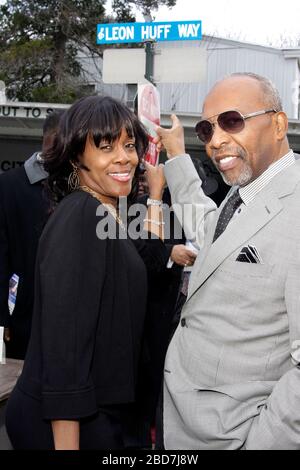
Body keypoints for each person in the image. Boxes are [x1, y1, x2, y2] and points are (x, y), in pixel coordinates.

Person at [5, 95, 166, 450]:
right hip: (69, 424)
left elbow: (153, 258)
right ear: (77, 156)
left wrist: (155, 195)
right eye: (105, 147)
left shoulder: (107, 212)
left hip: (102, 415)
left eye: (128, 145)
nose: (124, 157)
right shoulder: (82, 216)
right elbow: (66, 351)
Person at [155, 72, 300, 450]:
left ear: (279, 124)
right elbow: (212, 234)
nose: (217, 140)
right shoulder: (245, 190)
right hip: (183, 423)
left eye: (232, 121)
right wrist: (177, 155)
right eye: (206, 129)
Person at [0, 111, 62, 359]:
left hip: (67, 319)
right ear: (47, 140)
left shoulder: (81, 186)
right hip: (23, 316)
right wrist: (2, 316)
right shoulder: (10, 186)